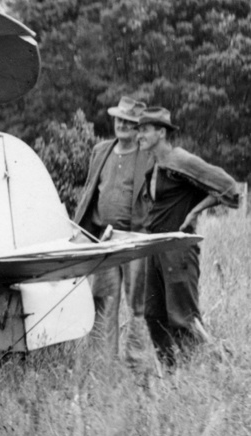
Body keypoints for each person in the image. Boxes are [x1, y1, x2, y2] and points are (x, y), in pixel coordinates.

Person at [133, 107, 242, 365]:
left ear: (161, 132)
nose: (139, 136)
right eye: (139, 130)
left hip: (179, 249)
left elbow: (229, 188)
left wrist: (195, 211)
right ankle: (173, 375)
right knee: (153, 315)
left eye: (145, 130)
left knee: (183, 319)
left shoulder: (181, 159)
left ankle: (216, 364)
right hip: (155, 248)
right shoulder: (155, 165)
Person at [71, 96, 153, 360]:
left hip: (134, 241)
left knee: (137, 305)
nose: (122, 125)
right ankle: (102, 364)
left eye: (129, 122)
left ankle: (137, 364)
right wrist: (82, 231)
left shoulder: (149, 157)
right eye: (119, 119)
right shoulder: (101, 151)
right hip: (104, 239)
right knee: (103, 301)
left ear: (138, 126)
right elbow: (89, 193)